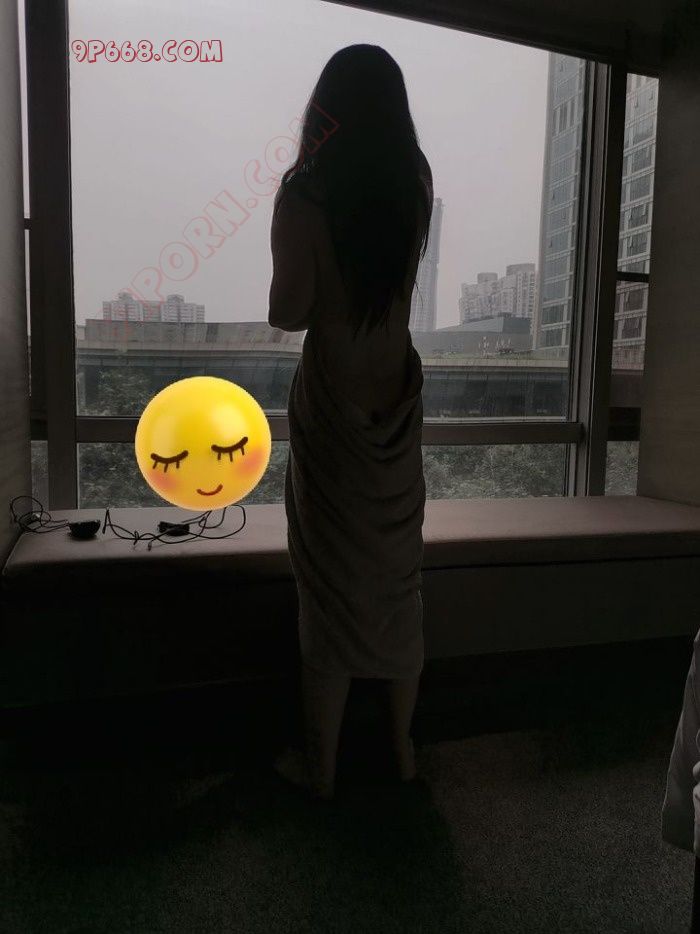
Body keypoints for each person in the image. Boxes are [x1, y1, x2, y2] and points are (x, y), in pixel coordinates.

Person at [267, 44, 433, 801]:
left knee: (328, 586)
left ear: (324, 110)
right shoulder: (415, 186)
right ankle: (402, 751)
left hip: (334, 404)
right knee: (397, 579)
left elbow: (287, 311)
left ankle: (321, 768)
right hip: (397, 397)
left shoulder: (305, 193)